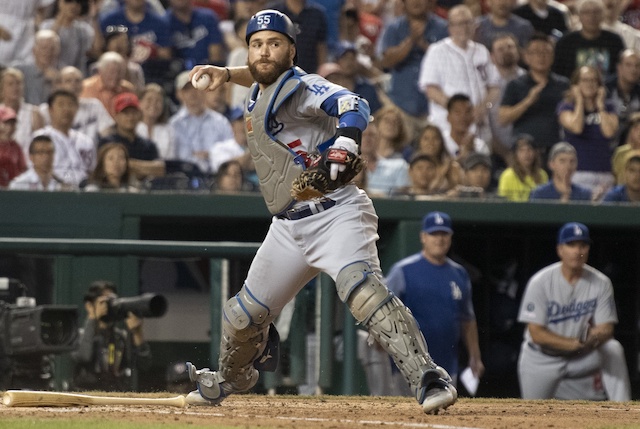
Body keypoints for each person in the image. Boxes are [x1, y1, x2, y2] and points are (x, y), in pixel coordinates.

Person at [185, 9, 458, 415]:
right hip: (288, 226)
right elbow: (260, 74)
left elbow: (352, 102)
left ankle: (428, 376)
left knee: (361, 291)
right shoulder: (259, 87)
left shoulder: (304, 85)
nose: (264, 52)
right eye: (256, 45)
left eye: (274, 43)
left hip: (336, 213)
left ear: (291, 50)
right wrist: (226, 73)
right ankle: (231, 378)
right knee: (243, 317)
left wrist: (345, 142)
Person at [517, 222, 632, 401]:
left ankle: (625, 411)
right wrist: (572, 343)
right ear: (560, 249)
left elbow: (607, 328)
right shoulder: (540, 281)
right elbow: (537, 334)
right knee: (531, 412)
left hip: (580, 357)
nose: (577, 250)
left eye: (583, 245)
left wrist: (595, 336)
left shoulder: (601, 282)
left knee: (613, 349)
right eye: (571, 245)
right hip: (541, 358)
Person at [386, 212, 484, 394]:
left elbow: (467, 319)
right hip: (408, 364)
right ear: (423, 237)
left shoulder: (459, 273)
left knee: (442, 415)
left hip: (446, 363)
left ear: (450, 237)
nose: (439, 239)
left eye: (443, 234)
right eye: (434, 234)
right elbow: (384, 314)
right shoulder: (403, 270)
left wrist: (474, 356)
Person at [419, 5, 501, 144]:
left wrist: (483, 107)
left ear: (474, 25)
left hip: (480, 125)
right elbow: (430, 89)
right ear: (450, 27)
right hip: (447, 128)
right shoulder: (437, 51)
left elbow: (494, 86)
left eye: (468, 22)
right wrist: (459, 112)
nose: (464, 28)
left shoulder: (482, 51)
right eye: (459, 24)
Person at [378, 0, 448, 138]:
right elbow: (386, 62)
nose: (416, 2)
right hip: (401, 107)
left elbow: (448, 63)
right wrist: (411, 40)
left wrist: (422, 43)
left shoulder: (442, 28)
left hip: (433, 109)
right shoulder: (394, 28)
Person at [499, 33, 570, 162]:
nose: (541, 57)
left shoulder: (563, 85)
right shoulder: (515, 85)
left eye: (545, 52)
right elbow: (503, 118)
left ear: (553, 55)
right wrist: (527, 102)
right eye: (535, 52)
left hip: (554, 150)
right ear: (526, 57)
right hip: (524, 152)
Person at [71, 280, 152, 392]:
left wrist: (137, 333)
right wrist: (92, 318)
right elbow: (83, 356)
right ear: (89, 306)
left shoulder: (120, 337)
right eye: (104, 302)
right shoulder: (78, 335)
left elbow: (144, 365)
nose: (109, 306)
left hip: (115, 396)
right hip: (86, 395)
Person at [557, 65, 618, 196]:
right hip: (577, 173)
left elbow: (609, 133)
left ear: (599, 84)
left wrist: (600, 106)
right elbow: (577, 128)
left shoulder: (609, 107)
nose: (589, 84)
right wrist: (579, 101)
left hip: (604, 172)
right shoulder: (566, 106)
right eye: (584, 80)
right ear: (576, 84)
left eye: (593, 80)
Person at [169, 71, 236, 175]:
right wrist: (213, 153)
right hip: (184, 178)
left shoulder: (221, 121)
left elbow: (232, 151)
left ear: (205, 90)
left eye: (196, 88)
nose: (193, 93)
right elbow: (176, 157)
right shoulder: (174, 124)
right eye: (187, 89)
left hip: (217, 176)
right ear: (179, 94)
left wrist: (211, 154)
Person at [33, 89, 96, 187]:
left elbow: (92, 171)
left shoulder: (86, 141)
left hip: (83, 193)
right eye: (61, 104)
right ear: (50, 110)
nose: (66, 109)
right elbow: (35, 169)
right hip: (51, 191)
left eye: (70, 105)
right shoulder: (39, 138)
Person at [40, 66, 115, 146]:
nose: (74, 84)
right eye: (68, 81)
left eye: (77, 81)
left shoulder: (94, 106)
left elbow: (107, 134)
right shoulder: (46, 110)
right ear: (59, 85)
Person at [99, 91, 166, 179]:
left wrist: (128, 165)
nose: (130, 117)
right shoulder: (108, 142)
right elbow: (106, 169)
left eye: (134, 112)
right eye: (125, 113)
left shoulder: (148, 144)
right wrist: (146, 168)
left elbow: (160, 169)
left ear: (139, 115)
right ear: (116, 116)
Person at [552, 0, 625, 79]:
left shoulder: (614, 41)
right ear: (579, 15)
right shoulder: (566, 42)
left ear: (603, 15)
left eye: (596, 12)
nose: (592, 16)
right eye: (586, 12)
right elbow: (558, 73)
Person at [167, 0, 225, 70]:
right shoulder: (164, 23)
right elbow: (166, 58)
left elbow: (215, 55)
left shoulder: (208, 17)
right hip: (180, 72)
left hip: (208, 69)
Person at [0, 67, 46, 157]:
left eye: (18, 83)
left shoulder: (34, 113)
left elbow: (41, 145)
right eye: (10, 84)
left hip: (28, 164)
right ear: (2, 89)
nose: (15, 87)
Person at [13, 29, 61, 106]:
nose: (48, 52)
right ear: (34, 50)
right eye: (44, 48)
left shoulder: (64, 75)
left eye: (52, 48)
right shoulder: (19, 71)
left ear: (58, 51)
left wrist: (57, 82)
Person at [80, 51, 136, 118]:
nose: (115, 76)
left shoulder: (127, 89)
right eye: (111, 72)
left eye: (119, 72)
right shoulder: (85, 87)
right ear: (100, 71)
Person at [497, 134, 548, 201]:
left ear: (535, 153)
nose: (526, 154)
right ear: (515, 155)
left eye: (529, 149)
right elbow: (502, 202)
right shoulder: (507, 176)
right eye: (521, 150)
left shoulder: (542, 175)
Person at [605, 49, 640, 145]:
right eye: (628, 65)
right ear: (619, 67)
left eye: (637, 66)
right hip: (606, 142)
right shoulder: (605, 90)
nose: (633, 70)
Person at [443, 93, 491, 162]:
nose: (463, 117)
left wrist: (472, 151)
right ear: (448, 117)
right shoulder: (441, 142)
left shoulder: (480, 146)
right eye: (458, 112)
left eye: (467, 112)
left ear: (472, 117)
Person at [136, 83, 175, 159]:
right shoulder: (133, 128)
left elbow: (171, 158)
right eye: (149, 100)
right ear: (140, 103)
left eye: (158, 101)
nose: (153, 104)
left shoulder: (169, 130)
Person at [0, 106, 27, 188]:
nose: (10, 127)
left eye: (13, 123)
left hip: (13, 189)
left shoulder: (16, 147)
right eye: (6, 123)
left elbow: (23, 169)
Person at [612, 112, 640, 183]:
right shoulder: (621, 152)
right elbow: (616, 177)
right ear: (631, 131)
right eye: (636, 129)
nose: (639, 133)